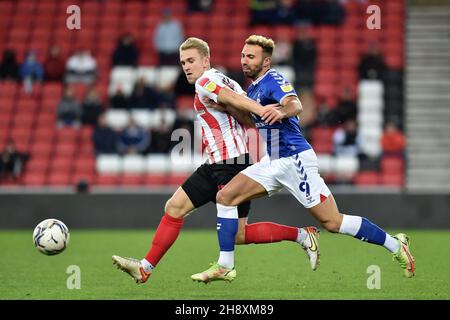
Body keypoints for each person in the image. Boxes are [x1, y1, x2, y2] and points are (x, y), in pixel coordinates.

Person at [191, 35, 415, 282]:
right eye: (243, 55)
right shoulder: (253, 89)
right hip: (272, 161)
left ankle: (395, 245)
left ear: (265, 62)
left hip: (295, 160)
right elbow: (252, 121)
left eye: (251, 57)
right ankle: (225, 265)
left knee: (332, 221)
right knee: (225, 197)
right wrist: (229, 109)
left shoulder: (274, 79)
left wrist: (282, 111)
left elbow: (295, 105)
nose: (244, 61)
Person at [112, 37, 320, 284]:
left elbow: (238, 104)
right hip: (219, 163)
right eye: (182, 63)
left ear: (206, 60)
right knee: (179, 209)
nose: (186, 67)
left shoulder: (206, 80)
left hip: (230, 163)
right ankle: (144, 267)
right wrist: (240, 108)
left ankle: (224, 265)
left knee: (224, 228)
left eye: (191, 61)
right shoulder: (227, 80)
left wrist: (257, 108)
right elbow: (247, 120)